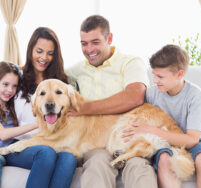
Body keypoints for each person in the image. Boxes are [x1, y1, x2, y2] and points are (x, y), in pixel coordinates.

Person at [0, 27, 76, 188]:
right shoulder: (17, 78)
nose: (44, 57)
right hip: (20, 144)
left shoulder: (63, 81)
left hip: (53, 140)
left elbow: (76, 111)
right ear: (30, 50)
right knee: (45, 152)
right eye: (39, 51)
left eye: (50, 53)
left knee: (69, 158)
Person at [66, 15, 157, 188]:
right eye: (84, 44)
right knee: (96, 165)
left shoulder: (130, 62)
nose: (89, 49)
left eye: (95, 42)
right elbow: (49, 77)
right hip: (97, 143)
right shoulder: (76, 70)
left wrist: (86, 108)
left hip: (131, 136)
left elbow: (135, 96)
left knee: (138, 168)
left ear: (109, 38)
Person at [123, 44, 201, 188]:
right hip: (162, 143)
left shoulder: (195, 95)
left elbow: (192, 140)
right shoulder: (151, 93)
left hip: (191, 142)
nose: (155, 80)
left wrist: (151, 130)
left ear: (179, 74)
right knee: (164, 159)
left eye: (160, 76)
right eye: (154, 75)